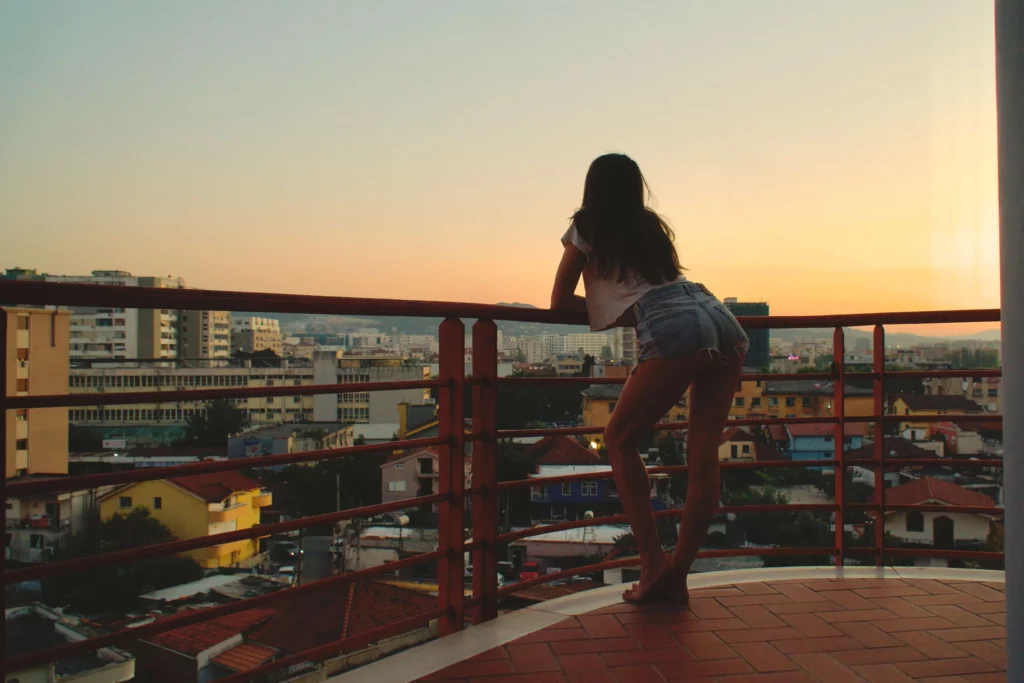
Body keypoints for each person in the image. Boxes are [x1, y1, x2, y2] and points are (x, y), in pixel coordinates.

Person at [550, 153, 749, 604]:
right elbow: (657, 283)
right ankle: (675, 577)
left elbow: (560, 299)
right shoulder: (652, 229)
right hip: (716, 313)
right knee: (702, 460)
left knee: (618, 438)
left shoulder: (586, 225)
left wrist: (610, 310)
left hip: (671, 323)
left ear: (592, 188)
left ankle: (653, 563)